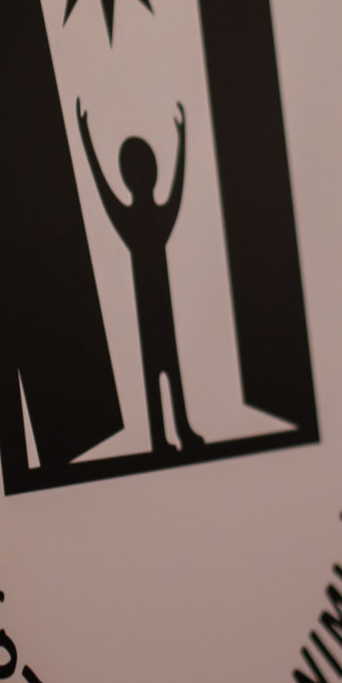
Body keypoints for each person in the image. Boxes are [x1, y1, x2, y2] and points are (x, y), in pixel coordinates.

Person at [77, 98, 203, 458]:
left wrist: (183, 139)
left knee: (168, 370)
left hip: (159, 310)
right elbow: (103, 189)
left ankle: (180, 429)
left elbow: (176, 189)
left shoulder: (149, 220)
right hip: (150, 311)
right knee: (157, 372)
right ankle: (160, 438)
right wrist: (85, 140)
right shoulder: (135, 222)